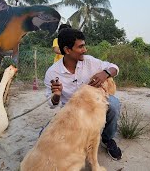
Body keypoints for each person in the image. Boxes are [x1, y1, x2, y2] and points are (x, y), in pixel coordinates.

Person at [43, 28, 122, 160]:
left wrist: (105, 73)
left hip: (94, 104)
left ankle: (108, 139)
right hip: (71, 111)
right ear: (67, 50)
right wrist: (56, 95)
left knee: (114, 104)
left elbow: (114, 67)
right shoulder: (52, 73)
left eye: (84, 45)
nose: (85, 50)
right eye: (81, 47)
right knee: (44, 138)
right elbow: (51, 104)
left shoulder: (89, 61)